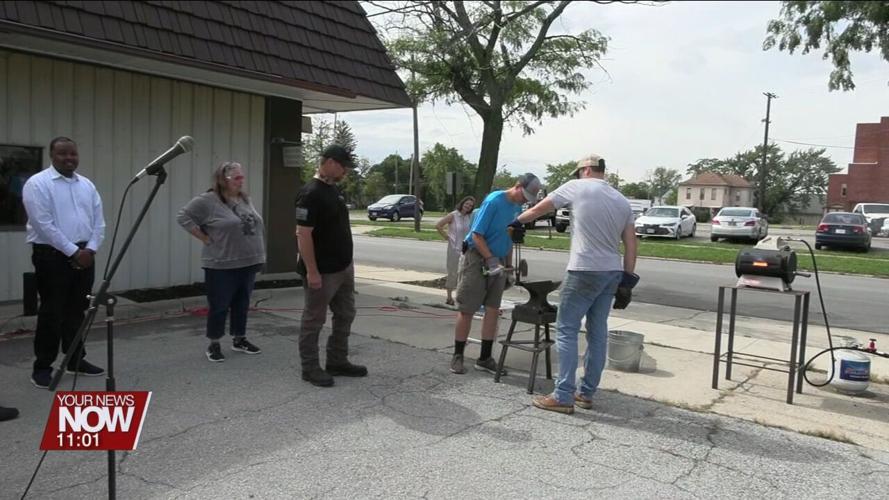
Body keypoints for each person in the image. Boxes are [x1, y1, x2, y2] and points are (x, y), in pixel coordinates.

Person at [513, 154, 638, 414]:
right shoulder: (621, 200)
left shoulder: (577, 187)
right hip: (612, 271)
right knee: (597, 332)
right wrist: (627, 281)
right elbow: (631, 244)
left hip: (583, 269)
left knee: (567, 329)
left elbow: (538, 209)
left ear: (587, 170)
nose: (578, 176)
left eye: (579, 172)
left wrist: (517, 221)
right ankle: (586, 393)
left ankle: (563, 395)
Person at [22, 137, 106, 388]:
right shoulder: (37, 184)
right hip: (52, 255)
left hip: (85, 253)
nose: (69, 158)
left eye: (73, 153)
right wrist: (72, 252)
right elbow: (43, 224)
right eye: (63, 154)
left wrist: (90, 248)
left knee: (77, 310)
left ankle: (75, 358)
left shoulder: (87, 185)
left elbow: (98, 221)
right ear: (52, 155)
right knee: (52, 312)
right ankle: (42, 366)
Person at [450, 173, 541, 375]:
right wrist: (490, 260)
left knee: (493, 309)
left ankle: (485, 358)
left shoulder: (517, 207)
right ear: (517, 186)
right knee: (467, 309)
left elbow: (507, 237)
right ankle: (457, 355)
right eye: (524, 195)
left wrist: (507, 266)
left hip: (498, 261)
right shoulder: (494, 201)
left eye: (529, 198)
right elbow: (476, 234)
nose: (525, 200)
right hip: (476, 258)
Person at [177, 162, 266, 362]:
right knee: (220, 305)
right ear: (223, 180)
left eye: (242, 177)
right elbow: (183, 217)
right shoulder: (208, 200)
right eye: (236, 178)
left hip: (248, 261)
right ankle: (214, 343)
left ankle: (239, 338)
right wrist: (205, 238)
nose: (241, 181)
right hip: (222, 263)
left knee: (242, 303)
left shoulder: (244, 199)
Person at [295, 145, 367, 387]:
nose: (346, 170)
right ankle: (310, 368)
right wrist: (312, 271)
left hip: (343, 267)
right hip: (323, 271)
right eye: (343, 165)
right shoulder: (310, 193)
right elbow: (303, 235)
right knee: (314, 319)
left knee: (346, 313)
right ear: (329, 162)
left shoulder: (333, 190)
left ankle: (337, 361)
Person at [435, 195, 475, 305]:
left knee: (465, 273)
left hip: (466, 249)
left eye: (470, 205)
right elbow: (438, 225)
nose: (468, 206)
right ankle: (449, 297)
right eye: (467, 204)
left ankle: (461, 296)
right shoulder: (453, 215)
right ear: (462, 203)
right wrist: (447, 237)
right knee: (453, 272)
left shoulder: (470, 217)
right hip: (454, 248)